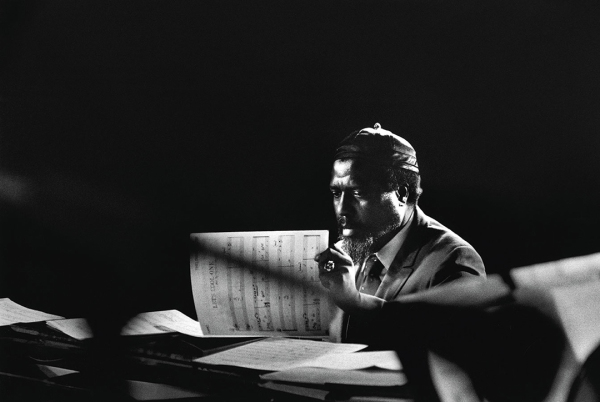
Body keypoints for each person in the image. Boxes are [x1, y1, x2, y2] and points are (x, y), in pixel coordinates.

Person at [316, 123, 486, 343]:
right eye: (336, 193)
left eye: (358, 192)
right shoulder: (341, 255)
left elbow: (458, 344)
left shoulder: (453, 259)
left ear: (402, 193)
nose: (342, 208)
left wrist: (356, 302)